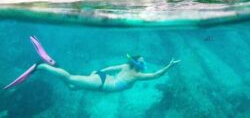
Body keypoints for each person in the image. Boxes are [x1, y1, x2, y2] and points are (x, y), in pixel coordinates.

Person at [3, 36, 181, 92]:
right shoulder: (137, 75)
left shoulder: (126, 66)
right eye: (142, 62)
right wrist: (169, 66)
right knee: (71, 78)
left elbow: (110, 68)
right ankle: (40, 66)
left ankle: (54, 63)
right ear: (138, 64)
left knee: (72, 86)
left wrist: (99, 70)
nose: (144, 64)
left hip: (101, 78)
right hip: (101, 83)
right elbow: (156, 75)